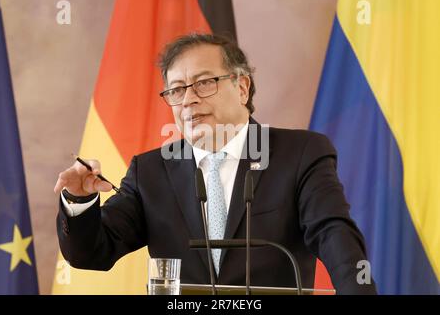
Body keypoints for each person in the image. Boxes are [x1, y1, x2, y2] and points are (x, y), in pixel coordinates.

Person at [54, 33, 376, 294]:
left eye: (204, 83)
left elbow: (334, 236)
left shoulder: (301, 153)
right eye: (176, 90)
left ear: (241, 87)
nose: (189, 99)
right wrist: (80, 202)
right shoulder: (150, 171)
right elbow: (92, 252)